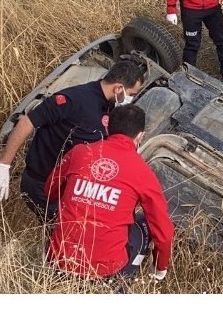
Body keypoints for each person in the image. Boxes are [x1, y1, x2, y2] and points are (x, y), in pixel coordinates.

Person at [0, 55, 149, 223]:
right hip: (43, 184)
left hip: (71, 187)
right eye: (130, 94)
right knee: (69, 234)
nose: (130, 99)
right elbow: (27, 122)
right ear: (118, 88)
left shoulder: (109, 107)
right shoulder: (74, 100)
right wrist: (4, 165)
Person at [45, 104, 174, 283]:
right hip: (105, 270)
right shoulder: (142, 172)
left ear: (107, 126)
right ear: (141, 136)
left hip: (59, 259)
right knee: (144, 225)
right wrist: (160, 268)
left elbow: (50, 189)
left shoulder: (80, 152)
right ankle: (123, 283)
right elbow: (164, 232)